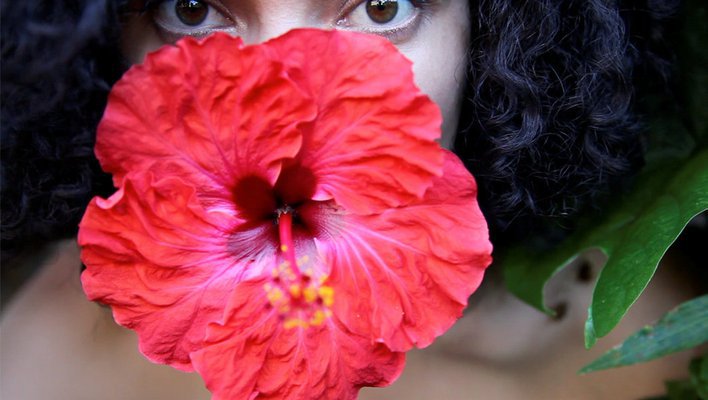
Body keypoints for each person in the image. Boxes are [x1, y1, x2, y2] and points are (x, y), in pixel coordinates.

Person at [1, 1, 702, 399]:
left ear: (493, 33)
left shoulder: (658, 354)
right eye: (191, 10)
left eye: (380, 6)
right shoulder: (37, 363)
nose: (293, 85)